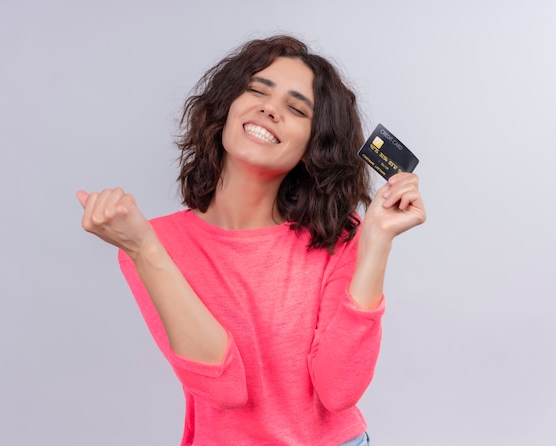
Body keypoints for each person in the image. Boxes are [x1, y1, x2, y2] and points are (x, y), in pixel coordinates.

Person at [77, 35, 425, 446]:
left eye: (296, 109)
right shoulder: (154, 244)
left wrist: (377, 240)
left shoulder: (337, 235)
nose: (269, 109)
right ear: (226, 108)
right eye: (257, 90)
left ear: (312, 147)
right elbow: (224, 388)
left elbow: (338, 392)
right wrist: (142, 247)